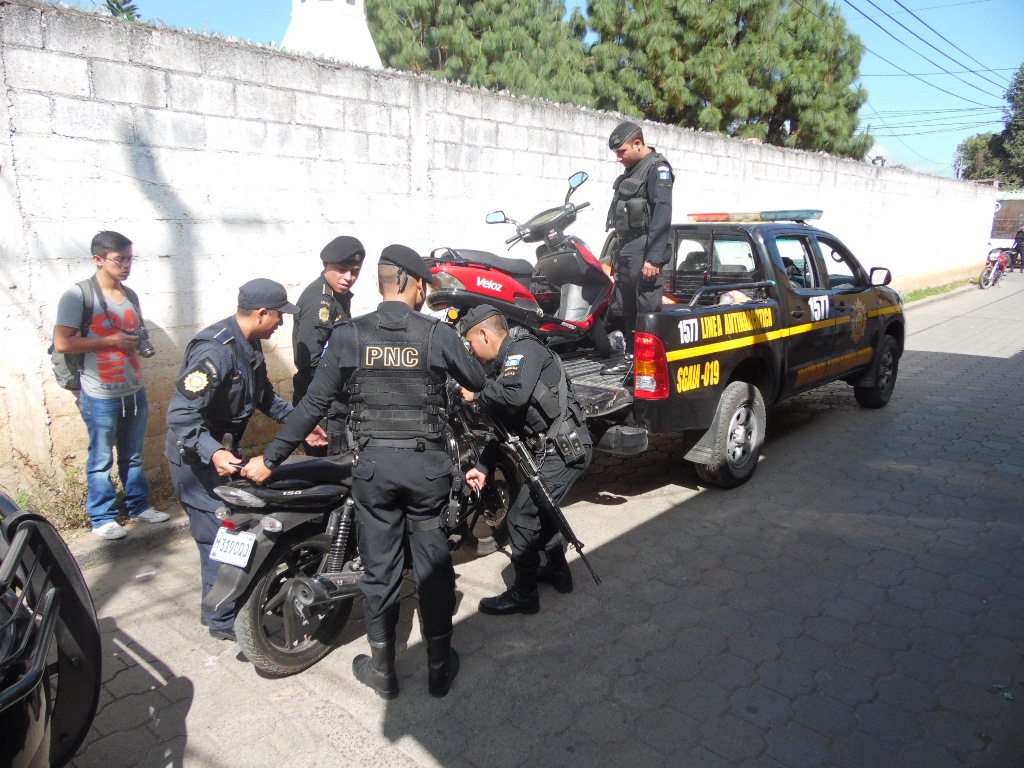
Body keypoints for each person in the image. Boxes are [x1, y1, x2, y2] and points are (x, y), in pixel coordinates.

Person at [241, 245, 486, 699]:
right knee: (433, 567)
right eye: (424, 287)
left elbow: (312, 404)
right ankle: (437, 667)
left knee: (381, 569)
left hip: (373, 471)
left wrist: (270, 458)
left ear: (379, 283)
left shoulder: (351, 335)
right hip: (427, 471)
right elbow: (475, 380)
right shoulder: (435, 335)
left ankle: (385, 673)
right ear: (413, 284)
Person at [165, 278, 325, 642]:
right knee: (217, 537)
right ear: (262, 313)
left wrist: (301, 423)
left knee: (237, 532)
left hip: (223, 452)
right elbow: (180, 416)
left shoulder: (249, 346)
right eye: (279, 317)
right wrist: (214, 452)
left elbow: (264, 396)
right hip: (195, 458)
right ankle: (222, 621)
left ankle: (232, 608)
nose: (282, 324)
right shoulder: (216, 351)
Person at [460, 304, 593, 615]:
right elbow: (506, 427)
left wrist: (478, 394)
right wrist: (482, 467)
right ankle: (558, 571)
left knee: (521, 516)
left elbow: (514, 397)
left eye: (470, 343)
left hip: (566, 449)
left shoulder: (523, 350)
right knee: (542, 511)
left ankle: (524, 594)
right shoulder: (508, 362)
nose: (472, 351)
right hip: (555, 448)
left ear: (484, 333)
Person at [53, 231, 169, 540]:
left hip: (133, 388)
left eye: (130, 258)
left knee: (133, 454)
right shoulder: (78, 296)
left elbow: (136, 331)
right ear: (98, 260)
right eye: (120, 260)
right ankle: (102, 516)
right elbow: (62, 342)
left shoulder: (130, 295)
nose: (127, 265)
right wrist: (111, 341)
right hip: (98, 391)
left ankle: (139, 506)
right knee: (101, 457)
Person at [602, 120, 674, 375]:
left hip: (645, 250)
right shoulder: (631, 170)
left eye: (621, 152)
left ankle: (648, 366)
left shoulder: (657, 170)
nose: (618, 158)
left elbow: (661, 216)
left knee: (646, 309)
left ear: (638, 143)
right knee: (628, 309)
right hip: (627, 250)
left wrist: (654, 259)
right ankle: (630, 360)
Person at [293, 236, 365, 455]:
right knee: (329, 468)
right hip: (323, 407)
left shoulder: (338, 297)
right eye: (342, 269)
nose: (348, 277)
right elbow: (309, 361)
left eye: (355, 271)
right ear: (326, 265)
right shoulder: (320, 302)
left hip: (334, 403)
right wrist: (346, 385)